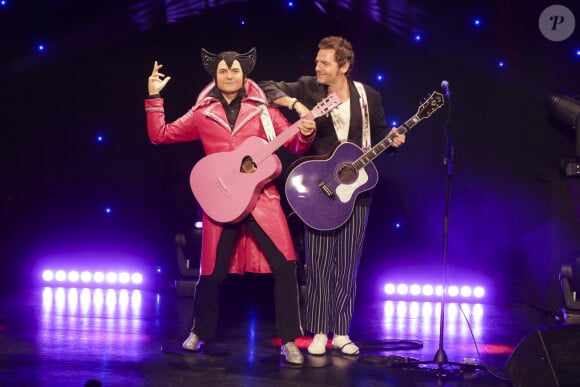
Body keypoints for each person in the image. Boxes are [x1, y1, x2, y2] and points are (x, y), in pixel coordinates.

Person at [145, 47, 318, 365]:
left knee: (286, 267)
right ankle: (199, 331)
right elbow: (160, 134)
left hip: (261, 199)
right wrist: (154, 98)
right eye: (223, 71)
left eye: (235, 70)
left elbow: (293, 143)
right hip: (221, 200)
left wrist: (306, 132)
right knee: (211, 273)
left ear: (244, 75)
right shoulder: (202, 113)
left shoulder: (264, 111)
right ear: (215, 75)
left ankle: (290, 340)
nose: (229, 75)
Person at [260, 36, 405, 356]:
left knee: (347, 264)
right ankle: (318, 332)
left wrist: (392, 141)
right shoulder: (310, 87)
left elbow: (378, 136)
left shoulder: (369, 96)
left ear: (344, 66)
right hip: (319, 191)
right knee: (319, 265)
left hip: (357, 191)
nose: (317, 67)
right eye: (317, 62)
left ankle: (341, 331)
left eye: (324, 63)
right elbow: (267, 87)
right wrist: (297, 105)